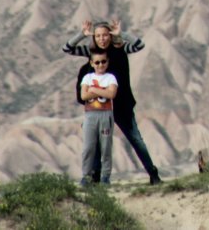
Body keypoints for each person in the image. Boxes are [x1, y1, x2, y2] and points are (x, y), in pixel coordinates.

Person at [64, 19, 162, 184]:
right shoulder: (92, 53)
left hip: (121, 106)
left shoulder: (120, 49)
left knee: (136, 140)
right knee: (95, 144)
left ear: (110, 35)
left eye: (105, 35)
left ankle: (153, 174)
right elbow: (67, 48)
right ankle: (95, 178)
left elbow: (139, 45)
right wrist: (82, 34)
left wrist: (121, 34)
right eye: (98, 36)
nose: (102, 39)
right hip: (98, 107)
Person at [80, 49, 117, 186]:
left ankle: (105, 176)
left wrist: (94, 90)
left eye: (103, 61)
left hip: (105, 114)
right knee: (88, 147)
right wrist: (103, 91)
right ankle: (86, 176)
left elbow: (111, 94)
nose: (100, 65)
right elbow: (83, 96)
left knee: (106, 147)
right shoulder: (87, 78)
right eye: (97, 62)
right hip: (90, 115)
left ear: (107, 62)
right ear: (92, 63)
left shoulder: (111, 77)